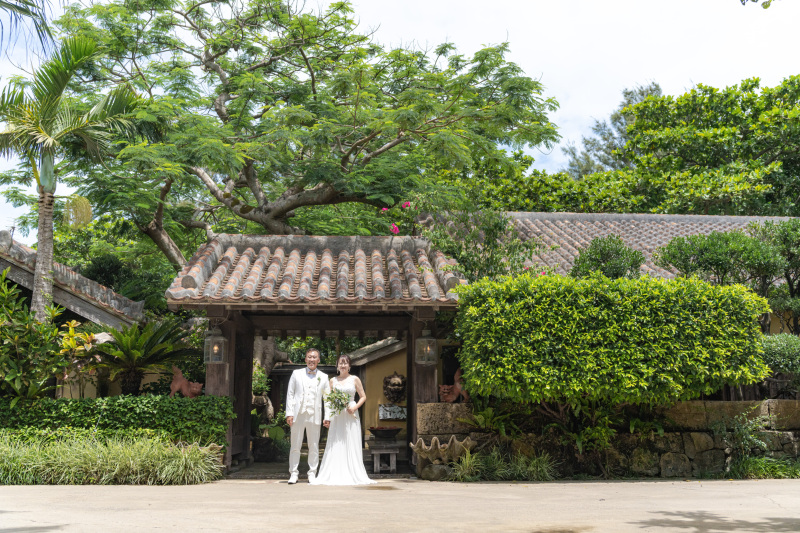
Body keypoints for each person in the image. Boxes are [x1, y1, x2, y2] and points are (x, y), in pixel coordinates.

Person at [310, 354, 375, 485]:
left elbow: (363, 396)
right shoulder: (332, 381)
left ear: (349, 366)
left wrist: (355, 407)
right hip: (337, 414)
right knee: (336, 441)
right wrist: (327, 417)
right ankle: (335, 471)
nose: (343, 365)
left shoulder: (355, 379)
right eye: (341, 363)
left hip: (351, 414)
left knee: (350, 441)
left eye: (345, 363)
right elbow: (328, 400)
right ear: (337, 365)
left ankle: (352, 472)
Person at [285, 348, 331, 485]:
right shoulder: (296, 373)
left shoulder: (323, 377)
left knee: (314, 446)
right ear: (305, 359)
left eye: (314, 357)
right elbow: (290, 394)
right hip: (298, 414)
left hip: (314, 415)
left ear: (318, 360)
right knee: (295, 445)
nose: (311, 359)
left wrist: (327, 417)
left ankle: (312, 473)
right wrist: (289, 413)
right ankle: (293, 473)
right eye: (309, 357)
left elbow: (327, 399)